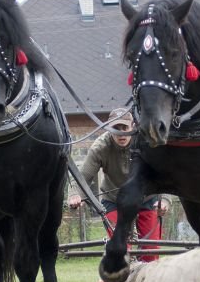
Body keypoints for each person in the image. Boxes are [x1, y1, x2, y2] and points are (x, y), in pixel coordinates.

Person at [68, 107, 170, 262]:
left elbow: (165, 171)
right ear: (109, 128)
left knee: (151, 251)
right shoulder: (100, 147)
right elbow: (82, 177)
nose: (121, 133)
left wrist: (166, 200)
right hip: (114, 200)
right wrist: (74, 194)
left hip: (147, 197)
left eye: (125, 127)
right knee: (120, 249)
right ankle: (119, 281)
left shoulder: (146, 143)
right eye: (116, 128)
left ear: (133, 126)